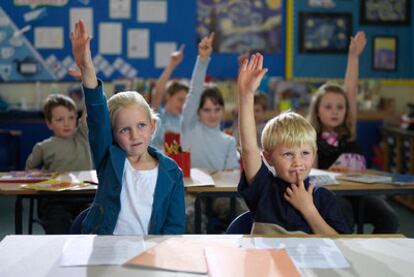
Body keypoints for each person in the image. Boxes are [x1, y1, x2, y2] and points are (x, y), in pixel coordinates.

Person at [70, 19, 185, 235]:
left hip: (148, 256)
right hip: (105, 251)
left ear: (153, 126)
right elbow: (97, 114)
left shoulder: (172, 172)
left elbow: (174, 227)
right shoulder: (109, 157)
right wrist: (86, 65)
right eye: (124, 129)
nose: (134, 135)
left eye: (141, 125)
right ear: (112, 134)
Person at [237, 53, 349, 234]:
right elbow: (249, 149)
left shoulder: (323, 198)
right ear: (268, 157)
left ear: (314, 153)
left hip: (310, 264)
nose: (298, 162)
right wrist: (246, 94)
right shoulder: (264, 188)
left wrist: (308, 209)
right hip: (268, 262)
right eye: (288, 154)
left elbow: (340, 245)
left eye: (305, 153)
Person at [307, 31, 399, 233]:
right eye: (328, 107)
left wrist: (354, 57)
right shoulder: (311, 139)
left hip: (360, 193)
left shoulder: (349, 131)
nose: (335, 112)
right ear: (317, 111)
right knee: (344, 216)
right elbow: (311, 177)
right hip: (333, 195)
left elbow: (350, 90)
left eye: (340, 107)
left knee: (389, 218)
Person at [25, 93, 93, 234]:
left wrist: (87, 82)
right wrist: (37, 173)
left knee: (91, 221)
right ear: (49, 123)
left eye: (71, 118)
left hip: (85, 196)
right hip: (56, 199)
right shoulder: (43, 147)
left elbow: (91, 108)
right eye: (60, 119)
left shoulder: (82, 136)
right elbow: (29, 170)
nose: (67, 123)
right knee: (58, 223)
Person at [181, 32, 239, 170]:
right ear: (197, 111)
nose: (212, 115)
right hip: (189, 190)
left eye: (217, 109)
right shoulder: (190, 126)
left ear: (223, 110)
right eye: (206, 110)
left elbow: (231, 175)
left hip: (215, 191)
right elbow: (195, 93)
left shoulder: (229, 142)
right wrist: (203, 59)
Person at [151, 45, 189, 149]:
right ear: (168, 97)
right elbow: (158, 91)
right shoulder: (157, 114)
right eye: (180, 100)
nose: (183, 104)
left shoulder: (184, 121)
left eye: (186, 101)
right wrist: (172, 65)